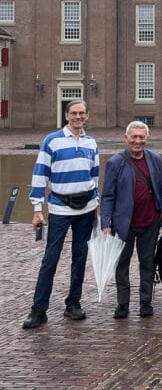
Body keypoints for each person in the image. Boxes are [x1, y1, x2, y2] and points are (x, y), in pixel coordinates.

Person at [23, 100, 99, 329]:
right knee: (51, 257)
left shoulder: (91, 142)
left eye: (82, 113)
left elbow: (94, 177)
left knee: (80, 256)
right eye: (74, 113)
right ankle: (38, 309)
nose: (78, 117)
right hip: (59, 207)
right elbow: (39, 174)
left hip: (86, 208)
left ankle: (73, 303)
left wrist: (96, 205)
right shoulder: (52, 140)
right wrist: (37, 209)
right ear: (66, 115)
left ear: (87, 116)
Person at [101, 121, 162, 319]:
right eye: (134, 137)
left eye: (141, 137)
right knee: (122, 264)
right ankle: (122, 304)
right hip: (124, 224)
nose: (137, 141)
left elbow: (161, 187)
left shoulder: (154, 158)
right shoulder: (115, 162)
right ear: (126, 138)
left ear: (146, 138)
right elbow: (107, 195)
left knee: (147, 263)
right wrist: (106, 223)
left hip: (149, 222)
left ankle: (145, 302)